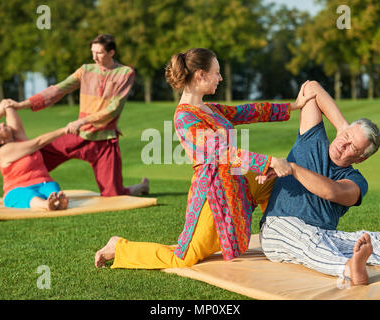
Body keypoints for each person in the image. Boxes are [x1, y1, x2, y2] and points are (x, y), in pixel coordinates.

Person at [94, 48, 316, 269]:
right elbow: (221, 152)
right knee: (183, 258)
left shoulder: (208, 108)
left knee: (275, 183)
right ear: (201, 74)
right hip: (214, 190)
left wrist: (293, 106)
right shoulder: (185, 117)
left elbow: (246, 111)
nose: (221, 78)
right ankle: (119, 247)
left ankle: (286, 239)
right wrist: (268, 162)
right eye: (217, 72)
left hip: (236, 177)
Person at [258, 80, 380, 286]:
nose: (343, 143)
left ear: (361, 158)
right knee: (306, 237)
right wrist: (344, 127)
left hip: (325, 234)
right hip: (278, 227)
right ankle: (349, 268)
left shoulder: (356, 181)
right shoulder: (312, 140)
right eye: (346, 136)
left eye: (353, 146)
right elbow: (311, 88)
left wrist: (293, 169)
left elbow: (331, 192)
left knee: (373, 238)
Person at [4, 34, 148, 197]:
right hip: (78, 135)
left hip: (104, 139)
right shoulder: (86, 70)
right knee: (37, 157)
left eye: (99, 53)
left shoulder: (125, 73)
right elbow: (58, 89)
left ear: (111, 53)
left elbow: (113, 108)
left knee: (113, 195)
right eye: (92, 52)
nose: (94, 57)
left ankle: (141, 187)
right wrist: (22, 104)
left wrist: (81, 121)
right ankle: (20, 188)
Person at [0, 99, 69, 210]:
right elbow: (39, 142)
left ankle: (57, 202)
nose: (2, 123)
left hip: (44, 183)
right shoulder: (4, 151)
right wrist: (65, 130)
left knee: (52, 189)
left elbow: (6, 104)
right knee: (28, 196)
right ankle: (46, 205)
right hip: (17, 189)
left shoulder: (19, 136)